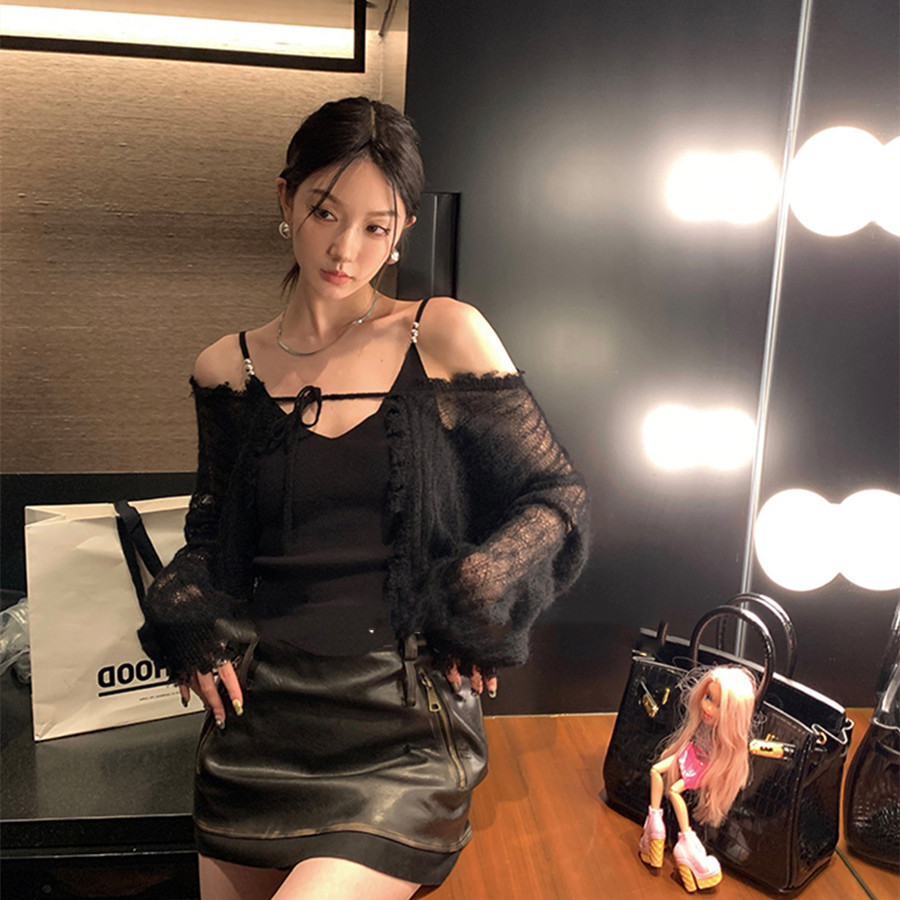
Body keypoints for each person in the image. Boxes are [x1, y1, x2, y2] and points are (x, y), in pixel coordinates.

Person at [138, 96, 589, 900]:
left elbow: (556, 496)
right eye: (325, 212)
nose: (347, 249)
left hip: (402, 727)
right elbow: (214, 537)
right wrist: (180, 607)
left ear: (403, 227)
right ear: (286, 200)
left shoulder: (443, 333)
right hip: (262, 722)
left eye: (376, 227)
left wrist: (482, 586)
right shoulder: (226, 368)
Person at [638, 665, 756, 892]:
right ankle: (655, 824)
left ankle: (686, 840)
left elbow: (721, 760)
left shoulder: (725, 740)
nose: (708, 708)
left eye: (719, 705)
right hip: (689, 755)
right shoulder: (701, 725)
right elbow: (690, 741)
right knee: (656, 770)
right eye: (708, 698)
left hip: (702, 768)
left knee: (674, 791)